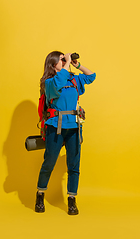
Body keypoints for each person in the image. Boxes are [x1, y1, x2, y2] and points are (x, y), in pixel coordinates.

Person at [35, 51, 96, 215]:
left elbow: (91, 76)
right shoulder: (49, 82)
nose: (65, 61)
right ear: (53, 64)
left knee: (74, 165)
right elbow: (58, 83)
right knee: (49, 163)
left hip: (74, 127)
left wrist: (77, 65)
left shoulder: (73, 79)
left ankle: (71, 199)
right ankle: (40, 194)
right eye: (61, 59)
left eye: (65, 58)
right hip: (56, 126)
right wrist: (67, 64)